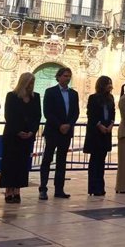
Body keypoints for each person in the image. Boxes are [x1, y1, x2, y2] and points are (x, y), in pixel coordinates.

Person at [0, 72, 41, 203]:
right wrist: (18, 131)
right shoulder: (12, 96)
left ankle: (17, 190)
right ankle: (8, 190)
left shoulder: (36, 97)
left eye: (33, 83)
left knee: (22, 164)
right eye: (29, 83)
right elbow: (9, 115)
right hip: (13, 135)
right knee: (10, 163)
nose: (31, 86)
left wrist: (32, 131)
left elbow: (37, 116)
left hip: (28, 136)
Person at [39, 67, 80, 200]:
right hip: (53, 131)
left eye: (69, 76)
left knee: (62, 161)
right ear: (58, 77)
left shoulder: (74, 94)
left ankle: (59, 189)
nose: (67, 78)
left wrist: (69, 124)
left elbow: (76, 112)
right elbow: (47, 112)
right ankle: (43, 188)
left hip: (66, 132)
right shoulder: (50, 92)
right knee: (47, 159)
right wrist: (59, 125)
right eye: (65, 76)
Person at [83, 76, 115, 196]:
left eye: (111, 83)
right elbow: (91, 114)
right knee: (94, 161)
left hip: (106, 132)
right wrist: (99, 125)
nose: (110, 86)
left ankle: (100, 186)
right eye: (108, 83)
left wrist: (111, 124)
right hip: (96, 133)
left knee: (102, 161)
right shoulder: (93, 98)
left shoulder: (110, 98)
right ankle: (93, 187)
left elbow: (113, 112)